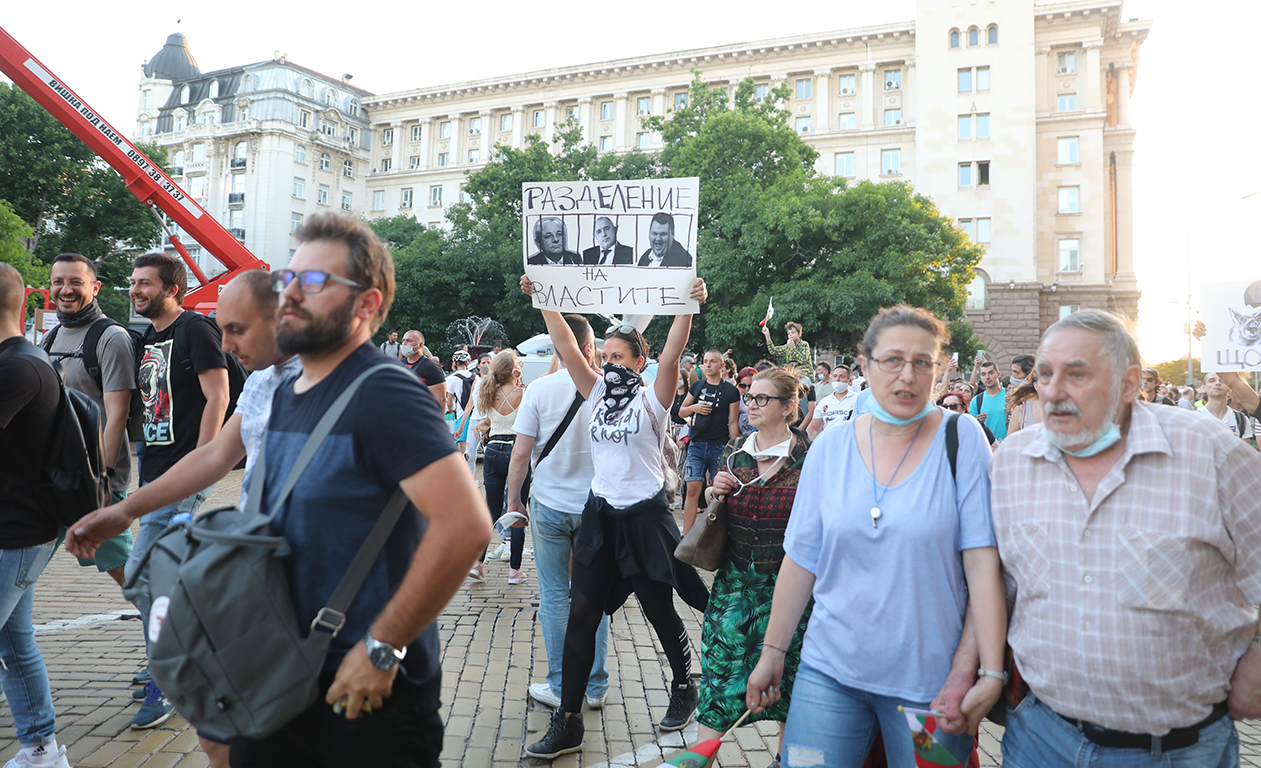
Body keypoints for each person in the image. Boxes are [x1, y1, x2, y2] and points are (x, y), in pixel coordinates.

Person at [222, 212, 490, 766]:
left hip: (362, 692)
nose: (290, 294)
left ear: (366, 305)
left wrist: (383, 645)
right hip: (280, 671)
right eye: (286, 280)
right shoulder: (291, 389)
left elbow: (466, 526)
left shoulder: (385, 392)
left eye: (313, 282)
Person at [980, 309, 1261, 767]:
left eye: (1077, 374)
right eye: (1045, 374)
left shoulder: (1206, 451)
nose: (1053, 391)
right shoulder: (1010, 464)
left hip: (1177, 749)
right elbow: (993, 588)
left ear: (1130, 383)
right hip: (1039, 739)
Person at [745, 305, 1005, 768]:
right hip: (828, 676)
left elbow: (983, 562)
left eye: (922, 362)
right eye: (892, 360)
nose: (908, 375)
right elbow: (802, 560)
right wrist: (772, 653)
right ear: (865, 365)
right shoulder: (830, 447)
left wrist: (987, 670)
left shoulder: (962, 438)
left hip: (933, 687)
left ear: (938, 369)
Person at [67, 269, 298, 768]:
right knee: (223, 739)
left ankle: (169, 673)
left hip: (319, 604)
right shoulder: (264, 381)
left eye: (237, 328)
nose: (227, 342)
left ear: (286, 318)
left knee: (154, 575)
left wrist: (385, 642)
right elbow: (217, 457)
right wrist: (122, 510)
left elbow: (458, 524)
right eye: (224, 327)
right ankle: (175, 671)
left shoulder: (367, 386)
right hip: (265, 580)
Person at [521, 274, 711, 758]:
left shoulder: (653, 399)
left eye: (619, 358)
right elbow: (565, 343)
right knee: (581, 614)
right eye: (604, 357)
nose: (608, 365)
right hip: (600, 519)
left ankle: (684, 684)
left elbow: (671, 353)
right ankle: (567, 720)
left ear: (639, 362)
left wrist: (686, 305)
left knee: (657, 609)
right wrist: (545, 299)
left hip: (644, 521)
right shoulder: (596, 393)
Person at [127, 251, 231, 729]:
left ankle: (171, 676)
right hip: (156, 470)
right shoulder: (150, 335)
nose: (135, 290)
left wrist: (203, 462)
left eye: (145, 283)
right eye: (133, 282)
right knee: (162, 577)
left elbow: (219, 396)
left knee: (141, 573)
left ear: (172, 288)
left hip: (185, 471)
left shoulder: (195, 328)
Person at [695, 367, 813, 764]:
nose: (751, 405)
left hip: (794, 600)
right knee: (716, 689)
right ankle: (699, 761)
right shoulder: (736, 451)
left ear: (789, 407)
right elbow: (715, 500)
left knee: (794, 697)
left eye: (762, 399)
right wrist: (715, 490)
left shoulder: (810, 459)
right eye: (748, 397)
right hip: (733, 595)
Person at [506, 314, 612, 711]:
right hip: (595, 505)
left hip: (550, 504)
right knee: (594, 596)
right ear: (590, 348)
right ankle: (596, 685)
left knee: (554, 596)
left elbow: (520, 454)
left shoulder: (539, 390)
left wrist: (514, 501)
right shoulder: (607, 390)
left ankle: (559, 682)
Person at [0, 263, 72, 768]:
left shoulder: (18, 367)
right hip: (18, 532)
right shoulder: (18, 361)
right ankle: (42, 750)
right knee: (15, 644)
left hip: (17, 535)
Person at [43, 253, 134, 588]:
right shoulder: (50, 339)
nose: (65, 290)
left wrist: (104, 478)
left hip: (95, 479)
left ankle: (177, 624)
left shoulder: (111, 338)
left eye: (75, 282)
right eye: (58, 282)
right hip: (54, 477)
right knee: (21, 562)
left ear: (95, 287)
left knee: (122, 568)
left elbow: (118, 413)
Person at [468, 351, 529, 584]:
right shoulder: (523, 393)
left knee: (491, 509)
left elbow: (491, 421)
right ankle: (514, 571)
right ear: (514, 370)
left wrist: (481, 427)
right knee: (516, 508)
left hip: (493, 450)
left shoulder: (489, 391)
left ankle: (477, 563)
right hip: (515, 451)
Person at [677, 349, 741, 534]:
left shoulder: (731, 390)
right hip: (697, 444)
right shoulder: (697, 386)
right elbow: (682, 411)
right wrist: (695, 407)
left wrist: (735, 447)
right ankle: (687, 538)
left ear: (722, 365)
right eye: (705, 361)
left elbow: (733, 421)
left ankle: (714, 537)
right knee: (691, 491)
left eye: (712, 361)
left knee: (718, 494)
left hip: (719, 446)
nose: (708, 364)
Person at [1198, 372, 1254, 441]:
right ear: (1204, 388)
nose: (1217, 383)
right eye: (1212, 381)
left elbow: (1244, 450)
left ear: (1229, 388)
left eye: (1222, 381)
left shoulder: (1241, 419)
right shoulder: (1195, 418)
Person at [807, 364, 858, 439]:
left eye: (842, 376)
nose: (837, 379)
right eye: (835, 376)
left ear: (849, 381)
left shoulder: (857, 399)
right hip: (829, 444)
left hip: (850, 444)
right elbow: (813, 427)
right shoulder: (824, 402)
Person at [400, 329, 447, 405]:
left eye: (409, 341)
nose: (404, 344)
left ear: (420, 345)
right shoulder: (398, 365)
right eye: (403, 340)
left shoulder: (431, 367)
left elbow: (440, 400)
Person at [446, 350, 476, 461]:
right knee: (473, 448)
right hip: (476, 415)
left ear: (455, 362)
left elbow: (449, 402)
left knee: (463, 450)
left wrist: (451, 409)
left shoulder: (451, 379)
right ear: (468, 362)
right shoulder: (476, 377)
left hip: (461, 415)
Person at [968, 360, 1008, 442]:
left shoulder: (1011, 396)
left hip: (1009, 446)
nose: (987, 377)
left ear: (998, 375)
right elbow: (971, 428)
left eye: (991, 373)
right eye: (983, 374)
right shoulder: (976, 400)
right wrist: (977, 421)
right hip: (987, 448)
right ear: (981, 378)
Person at [735, 366, 759, 436]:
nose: (747, 389)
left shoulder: (764, 401)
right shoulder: (737, 402)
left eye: (750, 385)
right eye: (743, 385)